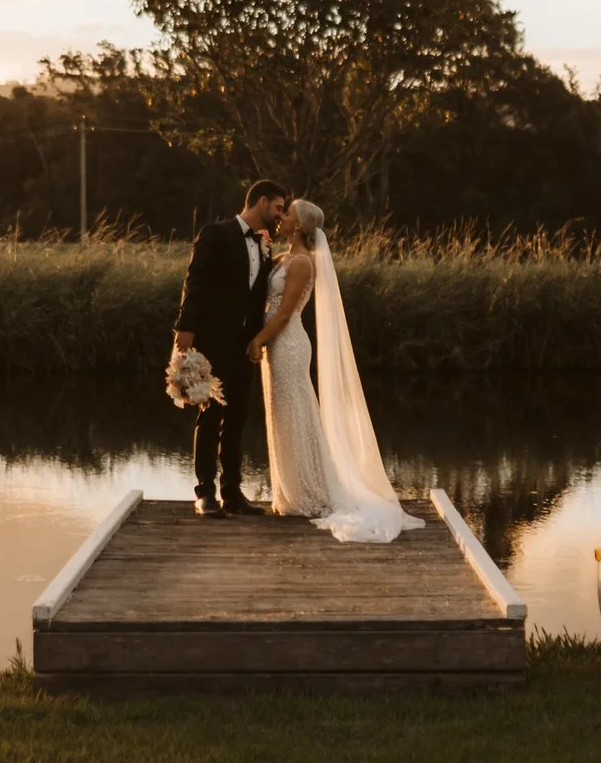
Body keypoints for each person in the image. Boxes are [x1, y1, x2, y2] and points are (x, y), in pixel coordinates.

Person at [242, 198, 422, 544]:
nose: (282, 217)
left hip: (288, 344)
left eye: (287, 214)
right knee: (281, 414)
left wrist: (258, 340)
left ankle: (309, 492)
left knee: (296, 413)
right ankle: (290, 491)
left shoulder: (302, 264)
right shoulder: (283, 258)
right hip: (275, 346)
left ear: (299, 225)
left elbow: (284, 313)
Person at [170, 180, 286, 516]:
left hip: (245, 345)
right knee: (209, 415)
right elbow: (195, 281)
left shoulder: (264, 244)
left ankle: (232, 492)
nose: (281, 215)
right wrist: (186, 327)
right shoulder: (215, 233)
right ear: (261, 202)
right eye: (278, 207)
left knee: (237, 418)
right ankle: (205, 493)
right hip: (212, 340)